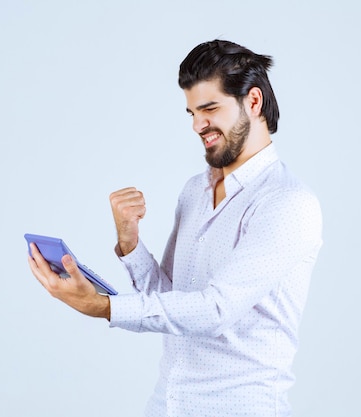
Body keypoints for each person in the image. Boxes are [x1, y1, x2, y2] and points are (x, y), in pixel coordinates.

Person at [28, 39, 323, 417]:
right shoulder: (194, 191)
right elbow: (171, 296)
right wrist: (131, 244)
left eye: (209, 108)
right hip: (167, 403)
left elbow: (215, 310)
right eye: (191, 113)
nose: (199, 125)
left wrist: (104, 308)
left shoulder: (287, 202)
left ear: (253, 102)